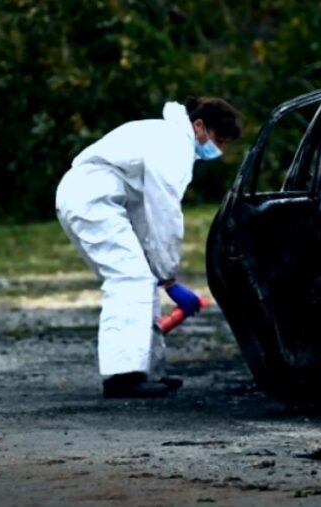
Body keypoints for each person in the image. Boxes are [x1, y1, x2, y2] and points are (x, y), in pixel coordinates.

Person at [55, 96, 242, 398]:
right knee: (130, 278)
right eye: (218, 139)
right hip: (90, 199)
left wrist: (162, 275)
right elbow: (164, 213)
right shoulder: (173, 144)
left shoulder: (166, 136)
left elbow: (145, 215)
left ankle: (148, 371)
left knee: (142, 276)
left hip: (95, 199)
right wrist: (170, 277)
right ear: (199, 126)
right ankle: (122, 376)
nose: (218, 149)